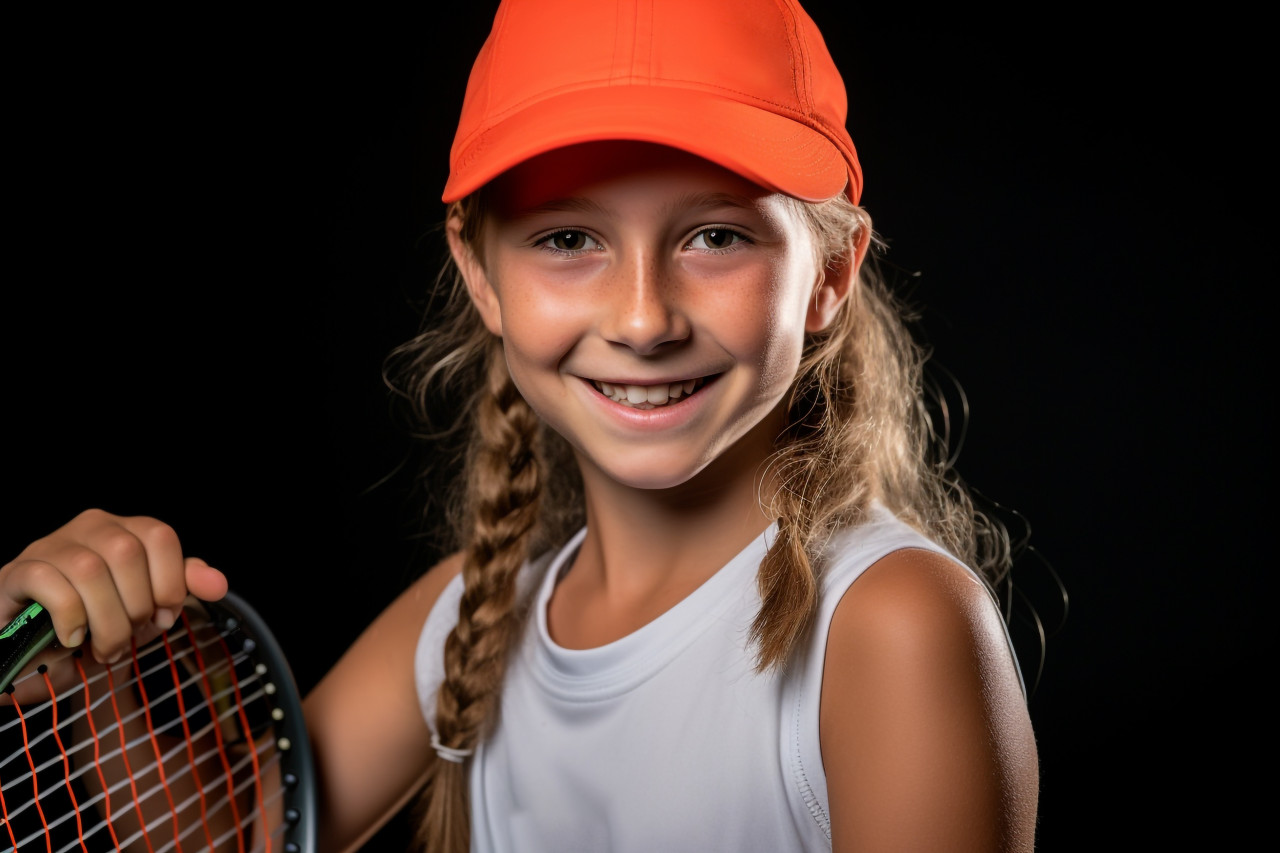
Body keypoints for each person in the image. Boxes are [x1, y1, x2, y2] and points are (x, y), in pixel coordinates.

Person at [0, 1, 1041, 851]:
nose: (641, 318)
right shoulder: (474, 610)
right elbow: (244, 837)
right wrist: (103, 678)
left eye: (715, 234)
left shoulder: (892, 622)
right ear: (479, 274)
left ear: (828, 274)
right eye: (569, 238)